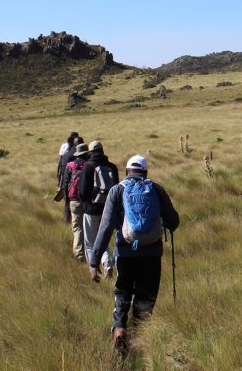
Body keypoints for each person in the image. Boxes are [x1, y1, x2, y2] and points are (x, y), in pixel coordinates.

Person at [89, 154, 179, 352]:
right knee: (146, 296)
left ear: (127, 172)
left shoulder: (117, 191)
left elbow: (105, 228)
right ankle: (140, 335)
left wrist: (94, 261)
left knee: (122, 292)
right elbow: (173, 222)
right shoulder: (156, 189)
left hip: (125, 253)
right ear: (145, 172)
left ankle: (120, 329)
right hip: (152, 254)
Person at [77, 141, 120, 278]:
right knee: (104, 238)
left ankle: (94, 270)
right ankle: (107, 263)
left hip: (91, 210)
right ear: (102, 150)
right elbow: (117, 190)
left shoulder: (88, 167)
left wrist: (87, 204)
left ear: (90, 152)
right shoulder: (112, 167)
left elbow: (82, 192)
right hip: (109, 210)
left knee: (90, 242)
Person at [64, 142, 91, 261]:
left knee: (77, 227)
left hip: (73, 200)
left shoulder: (70, 165)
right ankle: (89, 252)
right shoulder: (89, 165)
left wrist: (67, 200)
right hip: (87, 200)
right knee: (88, 226)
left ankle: (79, 254)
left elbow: (65, 183)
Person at [56, 132, 80, 220]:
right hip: (77, 185)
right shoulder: (83, 156)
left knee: (67, 203)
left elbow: (60, 166)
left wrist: (60, 183)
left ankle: (67, 220)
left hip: (67, 183)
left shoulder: (66, 154)